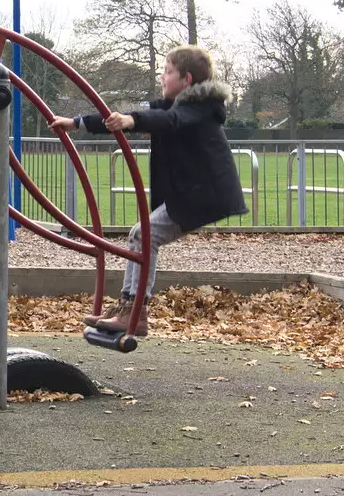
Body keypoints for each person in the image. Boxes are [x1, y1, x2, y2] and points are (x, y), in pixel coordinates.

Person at [49, 44, 247, 337]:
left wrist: (133, 122)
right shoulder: (175, 105)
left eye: (168, 72)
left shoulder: (200, 110)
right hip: (193, 193)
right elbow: (129, 115)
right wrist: (78, 123)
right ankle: (128, 306)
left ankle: (135, 311)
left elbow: (169, 122)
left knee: (145, 234)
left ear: (187, 79)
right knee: (139, 234)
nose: (162, 77)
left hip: (204, 195)